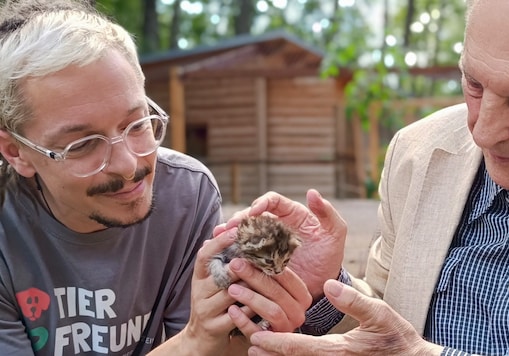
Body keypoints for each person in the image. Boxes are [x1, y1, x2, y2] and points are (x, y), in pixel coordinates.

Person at [218, 0, 509, 355]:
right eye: (473, 84)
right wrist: (326, 290)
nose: (482, 132)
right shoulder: (417, 153)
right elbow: (387, 321)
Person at [0, 0, 311, 355]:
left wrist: (258, 323)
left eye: (137, 123)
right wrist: (195, 339)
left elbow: (218, 346)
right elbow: (195, 342)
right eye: (83, 144)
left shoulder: (185, 194)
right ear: (16, 152)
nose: (129, 165)